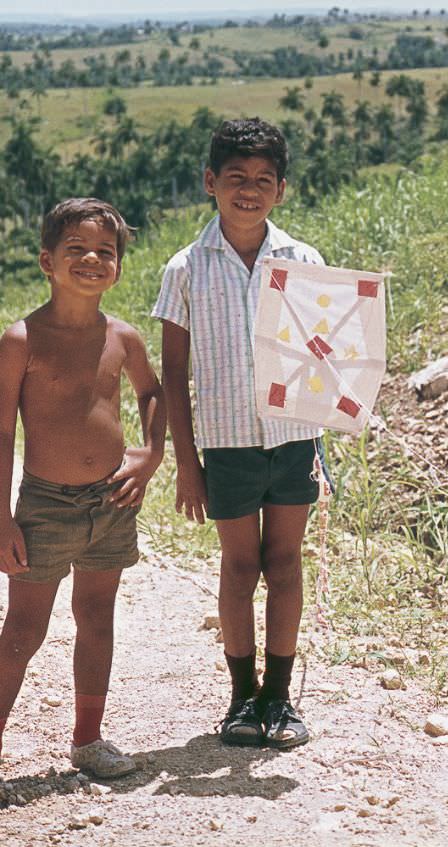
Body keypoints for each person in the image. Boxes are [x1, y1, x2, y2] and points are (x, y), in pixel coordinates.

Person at [153, 117, 328, 749]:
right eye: (236, 178)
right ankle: (240, 698)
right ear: (210, 182)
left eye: (262, 180)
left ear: (280, 189)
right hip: (225, 443)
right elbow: (175, 375)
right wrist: (188, 463)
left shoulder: (304, 261)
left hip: (293, 438)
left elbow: (327, 353)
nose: (248, 190)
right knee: (238, 565)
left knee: (284, 562)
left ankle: (279, 698)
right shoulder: (186, 267)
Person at [0, 198, 166, 778]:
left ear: (118, 264)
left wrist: (151, 452)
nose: (92, 259)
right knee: (22, 630)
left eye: (106, 251)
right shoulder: (21, 339)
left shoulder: (122, 337)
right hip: (45, 505)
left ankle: (88, 740)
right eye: (76, 249)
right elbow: (1, 432)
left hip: (112, 501)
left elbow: (152, 394)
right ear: (48, 260)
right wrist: (2, 518)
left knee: (97, 616)